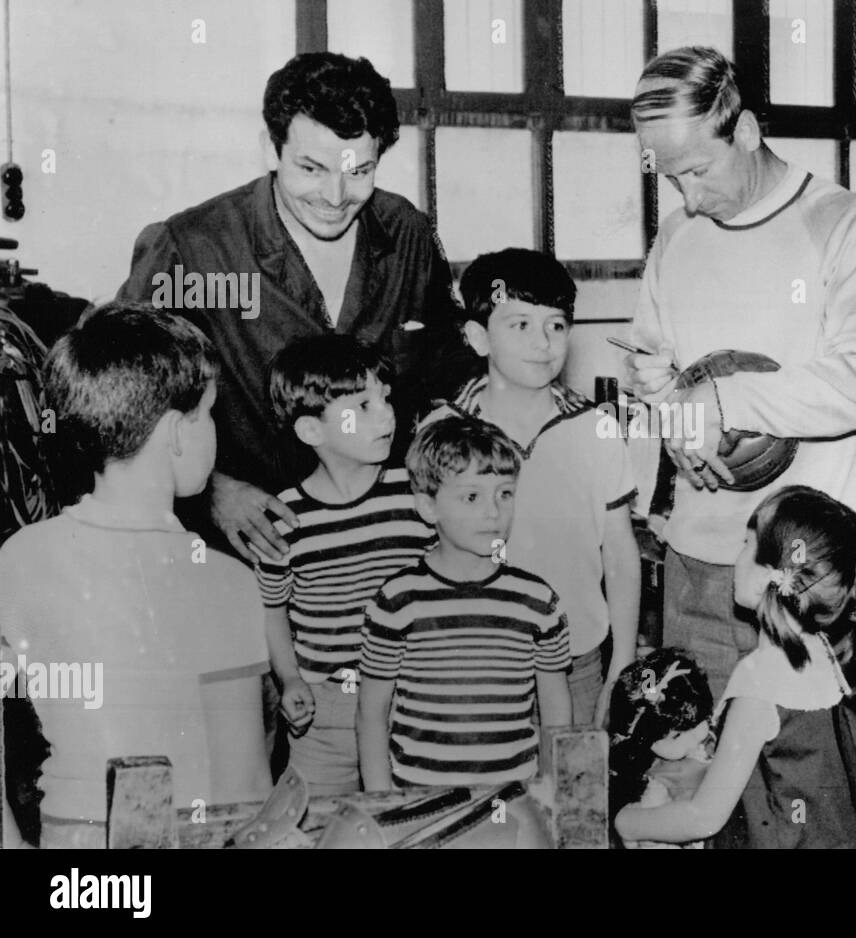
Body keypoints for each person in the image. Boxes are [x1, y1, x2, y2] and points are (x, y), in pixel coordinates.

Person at [624, 46, 856, 698]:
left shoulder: (846, 223)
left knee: (805, 778)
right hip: (697, 560)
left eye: (697, 170)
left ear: (746, 130)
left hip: (803, 575)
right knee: (692, 764)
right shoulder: (676, 237)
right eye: (672, 179)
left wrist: (725, 398)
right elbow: (644, 368)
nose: (689, 198)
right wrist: (672, 421)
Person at [118, 52, 463, 567]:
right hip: (244, 552)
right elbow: (124, 395)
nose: (335, 196)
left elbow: (445, 367)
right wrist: (210, 491)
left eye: (359, 171)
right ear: (271, 149)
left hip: (386, 545)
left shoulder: (408, 234)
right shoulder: (196, 249)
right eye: (311, 168)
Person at [0, 304, 270, 848]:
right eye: (210, 414)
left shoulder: (20, 556)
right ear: (176, 432)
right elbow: (244, 784)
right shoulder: (226, 581)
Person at [419, 249, 639, 727]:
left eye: (555, 325)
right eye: (519, 325)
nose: (543, 343)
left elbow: (620, 553)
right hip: (471, 666)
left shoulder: (595, 427)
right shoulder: (443, 429)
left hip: (578, 664)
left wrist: (622, 662)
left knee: (575, 798)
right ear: (478, 337)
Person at [614, 486, 856, 848]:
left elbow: (704, 818)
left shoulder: (760, 681)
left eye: (746, 544)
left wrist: (628, 823)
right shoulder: (830, 653)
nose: (736, 557)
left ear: (771, 575)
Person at [254, 335, 436, 795]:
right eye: (363, 404)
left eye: (385, 398)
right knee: (311, 825)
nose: (387, 413)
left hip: (412, 699)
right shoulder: (285, 518)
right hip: (325, 714)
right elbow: (273, 611)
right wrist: (290, 678)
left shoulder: (417, 495)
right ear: (311, 430)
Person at [357, 417, 572, 790]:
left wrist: (554, 785)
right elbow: (371, 712)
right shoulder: (397, 601)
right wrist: (382, 801)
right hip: (418, 795)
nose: (493, 512)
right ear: (428, 507)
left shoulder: (538, 602)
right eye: (472, 497)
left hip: (512, 796)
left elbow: (555, 708)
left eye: (504, 494)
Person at [608, 649, 714, 849]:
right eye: (676, 736)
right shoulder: (656, 783)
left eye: (699, 723)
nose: (692, 741)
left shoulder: (710, 744)